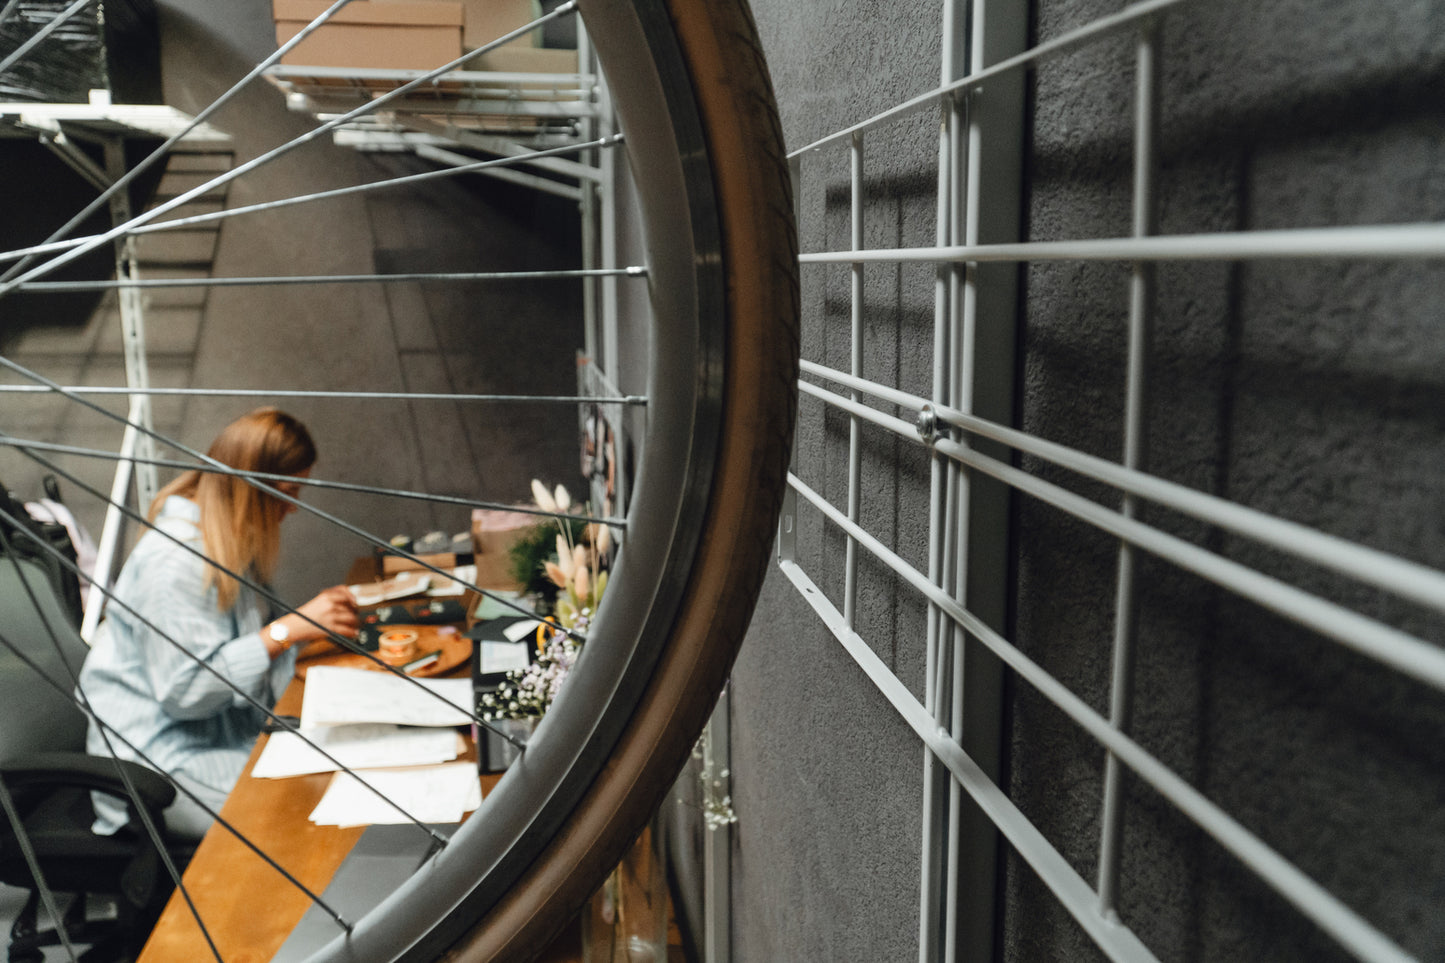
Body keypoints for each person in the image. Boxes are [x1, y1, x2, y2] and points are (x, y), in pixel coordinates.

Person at [77, 408, 358, 840]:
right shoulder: (175, 561)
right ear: (251, 487)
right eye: (287, 492)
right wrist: (288, 632)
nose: (292, 508)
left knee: (336, 767)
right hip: (159, 763)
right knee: (304, 804)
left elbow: (252, 642)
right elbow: (185, 693)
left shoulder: (225, 545)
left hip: (213, 740)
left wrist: (305, 628)